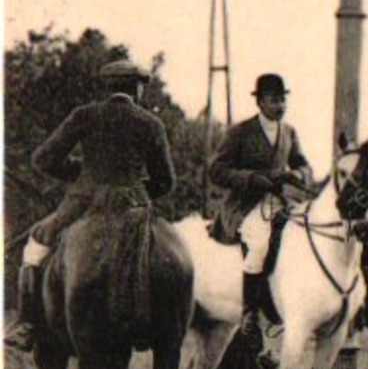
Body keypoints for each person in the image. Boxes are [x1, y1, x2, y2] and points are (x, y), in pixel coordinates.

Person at [6, 60, 176, 352]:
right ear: (137, 88)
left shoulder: (84, 116)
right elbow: (166, 181)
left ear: (108, 86)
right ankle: (162, 325)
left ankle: (26, 323)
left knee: (34, 246)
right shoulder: (151, 123)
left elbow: (42, 159)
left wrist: (82, 174)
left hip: (83, 202)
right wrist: (135, 188)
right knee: (166, 255)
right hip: (134, 204)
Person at [207, 72, 312, 342]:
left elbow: (301, 162)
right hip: (246, 204)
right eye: (275, 100)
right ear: (261, 102)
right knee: (259, 243)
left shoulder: (289, 132)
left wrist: (301, 174)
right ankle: (250, 312)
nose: (281, 106)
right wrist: (250, 179)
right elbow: (217, 170)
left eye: (283, 100)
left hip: (280, 201)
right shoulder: (241, 132)